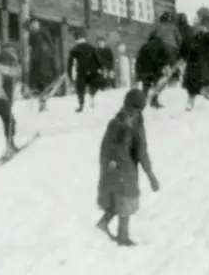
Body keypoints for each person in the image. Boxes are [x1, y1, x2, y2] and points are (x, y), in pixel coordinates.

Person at [96, 89, 160, 247]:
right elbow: (140, 152)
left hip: (115, 166)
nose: (133, 112)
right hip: (121, 168)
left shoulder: (124, 122)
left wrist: (106, 167)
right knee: (125, 198)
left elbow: (139, 150)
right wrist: (151, 176)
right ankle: (122, 236)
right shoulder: (125, 124)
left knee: (117, 197)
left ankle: (104, 223)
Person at [67, 28, 104, 113]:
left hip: (81, 72)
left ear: (76, 38)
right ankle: (92, 96)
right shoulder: (91, 47)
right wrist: (101, 68)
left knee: (80, 88)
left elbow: (70, 64)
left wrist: (70, 75)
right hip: (92, 71)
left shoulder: (74, 49)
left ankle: (81, 104)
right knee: (94, 84)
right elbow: (99, 60)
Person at [27, 18, 59, 106]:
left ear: (38, 24)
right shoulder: (31, 34)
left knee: (44, 76)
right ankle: (41, 99)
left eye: (35, 24)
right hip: (36, 58)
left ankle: (43, 99)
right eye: (32, 25)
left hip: (44, 58)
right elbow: (30, 45)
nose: (33, 26)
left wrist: (52, 50)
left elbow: (50, 42)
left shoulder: (43, 31)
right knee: (38, 78)